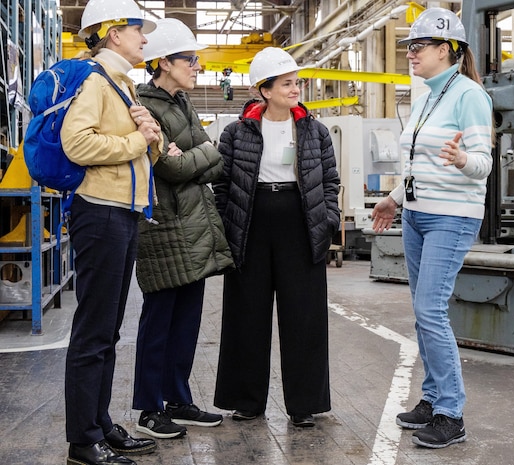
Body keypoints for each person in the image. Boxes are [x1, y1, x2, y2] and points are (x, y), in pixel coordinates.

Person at [371, 7, 493, 449]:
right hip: (417, 215)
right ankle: (432, 398)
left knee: (430, 310)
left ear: (446, 50)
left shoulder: (470, 95)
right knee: (423, 314)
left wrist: (462, 160)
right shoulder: (424, 98)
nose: (410, 53)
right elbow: (415, 165)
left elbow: (483, 163)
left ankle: (451, 413)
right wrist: (394, 198)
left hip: (451, 217)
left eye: (417, 46)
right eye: (408, 46)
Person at [212, 47, 341, 428]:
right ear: (264, 90)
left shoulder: (314, 130)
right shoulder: (237, 132)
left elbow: (330, 181)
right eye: (287, 84)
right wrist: (226, 223)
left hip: (302, 226)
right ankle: (246, 400)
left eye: (296, 82)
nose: (295, 89)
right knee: (245, 314)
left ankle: (304, 404)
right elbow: (222, 183)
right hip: (250, 226)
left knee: (304, 316)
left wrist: (328, 218)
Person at [60, 0, 163, 464]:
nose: (145, 37)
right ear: (113, 32)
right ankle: (83, 440)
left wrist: (153, 142)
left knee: (108, 330)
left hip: (122, 210)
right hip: (99, 212)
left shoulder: (124, 86)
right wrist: (137, 140)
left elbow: (138, 157)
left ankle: (98, 423)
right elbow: (77, 143)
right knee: (93, 331)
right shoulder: (95, 80)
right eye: (138, 29)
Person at [131, 18, 234, 440]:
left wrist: (199, 152)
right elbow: (169, 167)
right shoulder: (144, 104)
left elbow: (216, 159)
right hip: (164, 226)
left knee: (188, 319)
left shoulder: (182, 104)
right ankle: (149, 409)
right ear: (163, 62)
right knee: (159, 321)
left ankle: (178, 399)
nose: (196, 66)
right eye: (189, 60)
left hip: (193, 225)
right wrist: (201, 152)